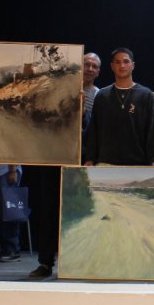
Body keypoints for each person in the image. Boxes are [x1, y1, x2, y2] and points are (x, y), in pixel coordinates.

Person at [31, 51, 101, 279]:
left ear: (99, 71)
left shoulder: (100, 97)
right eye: (86, 64)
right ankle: (45, 262)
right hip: (54, 157)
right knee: (49, 209)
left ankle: (75, 261)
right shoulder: (58, 89)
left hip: (81, 159)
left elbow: (94, 132)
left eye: (94, 66)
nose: (89, 68)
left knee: (77, 211)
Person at [83, 48, 154, 165]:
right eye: (117, 62)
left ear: (132, 65)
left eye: (126, 61)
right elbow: (94, 130)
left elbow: (153, 132)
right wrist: (90, 158)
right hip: (106, 163)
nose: (122, 65)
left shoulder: (146, 95)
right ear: (112, 66)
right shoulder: (102, 95)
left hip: (138, 164)